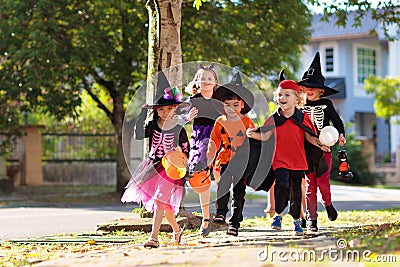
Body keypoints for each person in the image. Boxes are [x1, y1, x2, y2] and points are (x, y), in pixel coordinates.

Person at [246, 79, 330, 236]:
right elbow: (265, 137)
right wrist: (252, 134)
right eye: (279, 95)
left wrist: (320, 144)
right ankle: (278, 215)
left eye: (287, 95)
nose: (282, 98)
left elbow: (310, 137)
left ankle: (296, 221)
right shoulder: (273, 118)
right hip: (280, 160)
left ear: (297, 99)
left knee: (296, 192)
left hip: (298, 161)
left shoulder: (303, 118)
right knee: (282, 185)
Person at [121, 70, 190, 248]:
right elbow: (138, 134)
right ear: (156, 110)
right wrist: (143, 114)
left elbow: (186, 149)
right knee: (164, 206)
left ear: (175, 108)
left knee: (160, 201)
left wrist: (180, 153)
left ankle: (154, 238)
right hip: (153, 166)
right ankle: (177, 231)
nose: (165, 113)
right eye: (161, 109)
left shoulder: (178, 128)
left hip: (172, 169)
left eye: (169, 108)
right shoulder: (152, 125)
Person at [298, 52, 346, 233]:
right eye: (306, 87)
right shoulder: (300, 107)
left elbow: (338, 121)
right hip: (306, 149)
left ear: (321, 90)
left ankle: (328, 203)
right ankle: (312, 219)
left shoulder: (327, 104)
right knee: (310, 185)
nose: (309, 90)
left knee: (323, 182)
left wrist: (341, 134)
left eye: (313, 87)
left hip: (324, 148)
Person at [206, 71, 255, 237]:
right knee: (223, 187)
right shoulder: (220, 121)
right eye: (228, 105)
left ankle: (235, 222)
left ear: (242, 105)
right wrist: (210, 158)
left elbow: (254, 144)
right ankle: (221, 213)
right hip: (225, 160)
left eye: (235, 105)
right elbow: (214, 141)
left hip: (242, 162)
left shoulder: (247, 122)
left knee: (239, 192)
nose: (231, 109)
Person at [182, 63, 222, 237]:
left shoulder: (220, 101)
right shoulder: (192, 101)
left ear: (215, 82)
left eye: (209, 78)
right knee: (202, 178)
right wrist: (186, 117)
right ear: (196, 82)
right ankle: (206, 219)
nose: (205, 81)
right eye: (202, 78)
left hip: (220, 137)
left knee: (222, 174)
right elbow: (176, 119)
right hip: (200, 142)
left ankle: (222, 213)